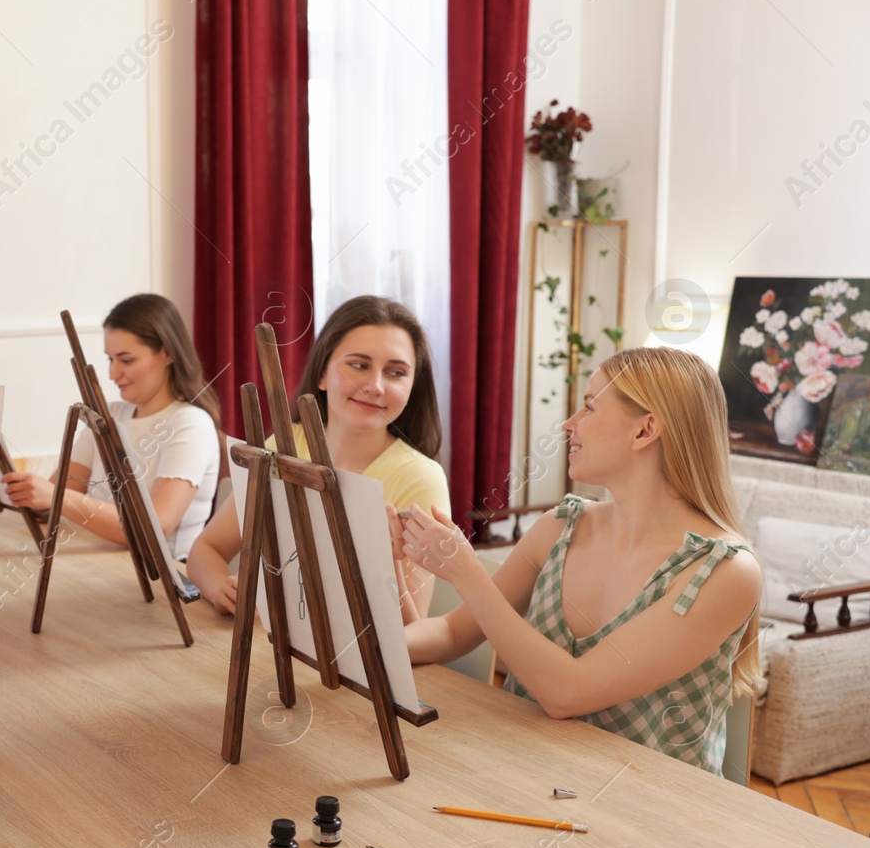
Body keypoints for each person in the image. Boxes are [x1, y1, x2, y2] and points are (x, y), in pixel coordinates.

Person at [398, 346, 762, 775]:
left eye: (589, 407)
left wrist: (466, 570)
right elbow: (453, 631)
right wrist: (352, 648)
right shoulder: (561, 526)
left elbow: (567, 693)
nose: (569, 425)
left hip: (649, 817)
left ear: (645, 431)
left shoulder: (724, 572)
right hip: (519, 772)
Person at [186, 295, 448, 618]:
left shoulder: (421, 478)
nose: (376, 386)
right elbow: (205, 549)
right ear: (322, 374)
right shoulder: (285, 443)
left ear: (412, 387)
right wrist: (219, 589)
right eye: (359, 365)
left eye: (395, 373)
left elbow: (413, 629)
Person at [0, 293, 222, 562]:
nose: (113, 374)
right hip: (103, 563)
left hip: (163, 578)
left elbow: (154, 528)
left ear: (167, 354)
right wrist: (25, 494)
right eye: (110, 359)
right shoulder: (110, 415)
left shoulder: (190, 423)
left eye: (126, 360)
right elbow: (53, 505)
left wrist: (56, 496)